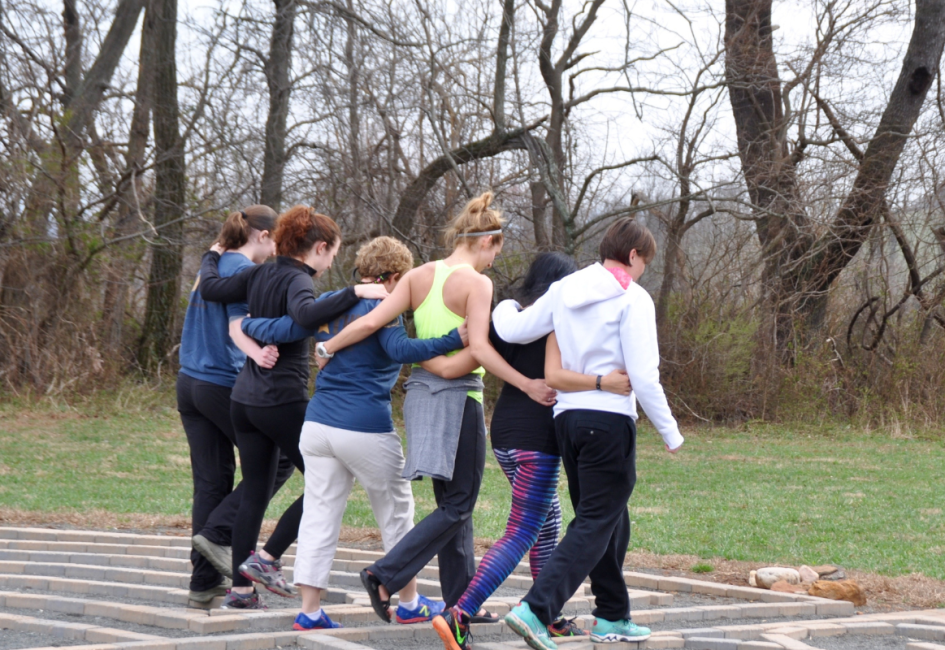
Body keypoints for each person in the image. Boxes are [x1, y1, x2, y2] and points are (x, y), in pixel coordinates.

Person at [316, 191, 557, 624]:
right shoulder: (478, 284)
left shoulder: (419, 275)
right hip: (458, 398)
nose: (492, 265)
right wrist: (526, 384)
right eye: (495, 253)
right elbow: (479, 348)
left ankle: (460, 604)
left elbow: (370, 321)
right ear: (487, 241)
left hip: (419, 398)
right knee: (459, 504)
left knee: (453, 506)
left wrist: (328, 345)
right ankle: (384, 573)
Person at [239, 236, 468, 629]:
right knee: (396, 511)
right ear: (394, 276)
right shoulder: (384, 306)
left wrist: (243, 324)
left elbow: (282, 325)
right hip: (364, 429)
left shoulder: (330, 302)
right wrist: (455, 339)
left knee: (319, 514)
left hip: (317, 426)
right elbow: (402, 350)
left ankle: (309, 612)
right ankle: (410, 602)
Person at [492, 217, 685, 649]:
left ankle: (612, 615)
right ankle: (536, 609)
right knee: (597, 520)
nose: (642, 273)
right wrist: (671, 432)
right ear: (633, 256)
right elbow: (644, 376)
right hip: (609, 420)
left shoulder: (564, 290)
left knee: (611, 520)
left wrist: (502, 305)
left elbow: (513, 328)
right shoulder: (632, 298)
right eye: (643, 263)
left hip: (568, 422)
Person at [428, 252, 634, 650]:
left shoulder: (512, 317)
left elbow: (482, 353)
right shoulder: (561, 318)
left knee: (548, 520)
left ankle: (549, 616)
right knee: (522, 530)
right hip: (537, 443)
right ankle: (459, 613)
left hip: (504, 433)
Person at [196, 206, 388, 609]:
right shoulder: (298, 278)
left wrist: (211, 256)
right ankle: (268, 558)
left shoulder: (257, 272)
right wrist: (354, 292)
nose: (333, 261)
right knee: (328, 480)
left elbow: (212, 289)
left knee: (256, 492)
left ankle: (241, 591)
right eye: (332, 252)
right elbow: (303, 314)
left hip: (243, 401)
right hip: (280, 399)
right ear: (318, 247)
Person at [176, 206, 294, 604]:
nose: (277, 248)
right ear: (261, 235)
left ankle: (203, 582)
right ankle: (216, 535)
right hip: (220, 382)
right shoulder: (241, 272)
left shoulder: (213, 266)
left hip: (189, 381)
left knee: (212, 483)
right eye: (275, 239)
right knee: (276, 462)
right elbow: (237, 326)